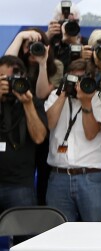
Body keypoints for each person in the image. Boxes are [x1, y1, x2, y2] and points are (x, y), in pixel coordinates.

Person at [44, 59, 101, 221]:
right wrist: (65, 92)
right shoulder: (55, 96)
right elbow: (50, 123)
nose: (77, 85)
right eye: (73, 79)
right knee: (58, 235)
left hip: (90, 177)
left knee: (97, 233)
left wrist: (86, 101)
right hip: (59, 177)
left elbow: (91, 133)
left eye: (82, 80)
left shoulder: (99, 98)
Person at [0, 56, 48, 212]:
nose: (10, 84)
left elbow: (39, 137)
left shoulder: (33, 102)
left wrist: (27, 104)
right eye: (4, 79)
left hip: (20, 185)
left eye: (14, 79)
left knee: (26, 236)